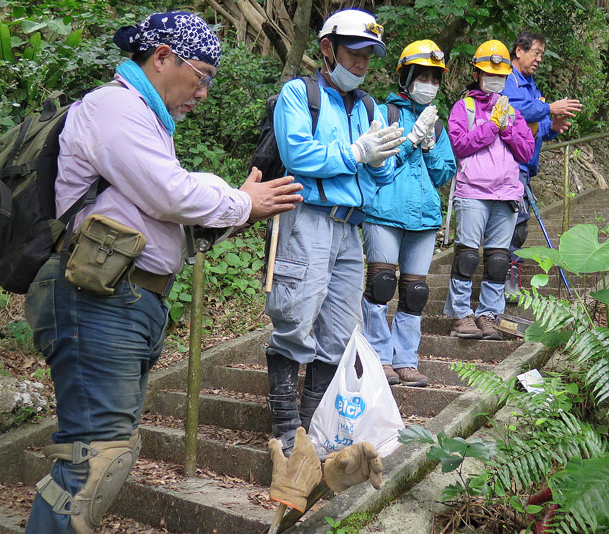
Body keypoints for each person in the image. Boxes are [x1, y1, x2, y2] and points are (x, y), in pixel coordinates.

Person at [23, 12, 303, 534]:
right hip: (96, 300)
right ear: (161, 57)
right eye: (201, 74)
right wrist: (240, 200)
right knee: (94, 459)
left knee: (104, 453)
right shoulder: (115, 107)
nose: (204, 90)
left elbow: (166, 220)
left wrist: (240, 211)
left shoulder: (147, 123)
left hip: (125, 299)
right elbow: (170, 192)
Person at [265, 8, 404, 455]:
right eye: (355, 52)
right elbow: (298, 154)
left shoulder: (369, 107)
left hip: (351, 229)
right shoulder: (298, 94)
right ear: (328, 49)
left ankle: (314, 427)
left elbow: (379, 176)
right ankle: (287, 430)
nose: (362, 63)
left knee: (341, 331)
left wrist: (384, 159)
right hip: (307, 219)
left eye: (370, 55)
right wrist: (354, 152)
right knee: (295, 317)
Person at [361, 39, 456, 387]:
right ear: (406, 76)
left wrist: (429, 144)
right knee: (382, 285)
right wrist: (410, 139)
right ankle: (379, 358)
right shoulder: (383, 114)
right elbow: (378, 163)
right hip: (384, 211)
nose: (429, 84)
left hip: (425, 217)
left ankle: (406, 360)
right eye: (423, 76)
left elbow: (446, 172)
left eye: (435, 78)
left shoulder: (438, 124)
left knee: (415, 292)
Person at [444, 39, 535, 339]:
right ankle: (461, 314)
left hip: (507, 194)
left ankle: (489, 315)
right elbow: (459, 145)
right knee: (467, 256)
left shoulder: (513, 111)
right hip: (472, 193)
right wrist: (491, 127)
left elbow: (527, 151)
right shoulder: (464, 107)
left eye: (500, 74)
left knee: (498, 261)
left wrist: (507, 127)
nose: (494, 78)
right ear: (477, 74)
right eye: (488, 72)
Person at [501, 31, 582, 295]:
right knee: (513, 221)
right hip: (506, 162)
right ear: (519, 51)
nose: (538, 59)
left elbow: (536, 126)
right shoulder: (506, 78)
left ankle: (509, 278)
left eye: (541, 55)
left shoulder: (531, 84)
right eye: (535, 53)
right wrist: (549, 109)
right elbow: (513, 109)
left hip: (524, 165)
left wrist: (553, 126)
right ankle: (503, 280)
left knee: (518, 223)